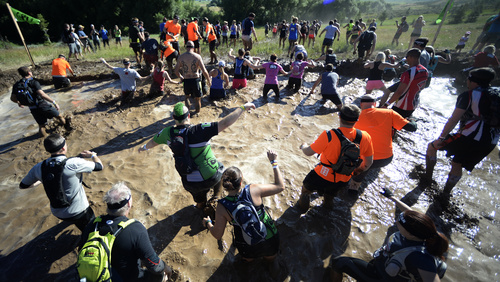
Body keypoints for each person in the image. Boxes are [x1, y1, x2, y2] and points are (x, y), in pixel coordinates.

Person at [138, 102, 257, 209]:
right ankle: (216, 197)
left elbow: (152, 142)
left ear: (173, 118)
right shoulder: (199, 130)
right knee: (220, 167)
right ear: (188, 116)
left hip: (189, 181)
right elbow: (225, 123)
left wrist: (143, 148)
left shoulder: (166, 133)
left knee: (198, 197)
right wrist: (243, 107)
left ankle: (200, 206)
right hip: (211, 176)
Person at [328, 187, 449, 282]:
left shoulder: (419, 257)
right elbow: (409, 212)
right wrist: (392, 198)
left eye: (400, 223)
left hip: (381, 277)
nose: (396, 221)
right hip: (381, 264)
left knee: (339, 263)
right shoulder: (424, 230)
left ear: (411, 233)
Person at [425, 68, 500, 199]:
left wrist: (442, 137)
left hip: (469, 136)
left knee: (432, 147)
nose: (466, 82)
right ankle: (445, 193)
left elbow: (454, 119)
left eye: (468, 79)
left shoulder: (469, 95)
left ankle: (427, 178)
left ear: (474, 82)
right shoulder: (497, 94)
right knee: (457, 163)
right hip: (490, 142)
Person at [202, 150, 284, 269]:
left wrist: (208, 223)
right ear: (241, 181)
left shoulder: (222, 206)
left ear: (224, 185)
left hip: (247, 244)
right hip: (269, 237)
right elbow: (280, 186)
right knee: (271, 260)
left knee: (248, 261)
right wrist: (273, 161)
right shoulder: (254, 189)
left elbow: (217, 234)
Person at [80, 182, 171, 282]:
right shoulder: (135, 229)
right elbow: (154, 265)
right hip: (126, 278)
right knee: (160, 275)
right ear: (129, 203)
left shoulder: (93, 224)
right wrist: (165, 268)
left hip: (96, 275)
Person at [297, 105, 374, 212]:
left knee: (306, 190)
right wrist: (355, 172)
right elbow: (368, 163)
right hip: (344, 178)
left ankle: (302, 209)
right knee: (330, 195)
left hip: (321, 175)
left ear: (339, 116)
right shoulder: (365, 137)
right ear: (357, 120)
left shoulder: (329, 135)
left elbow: (308, 152)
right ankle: (327, 206)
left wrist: (303, 146)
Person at [20, 133, 102, 231]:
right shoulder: (74, 163)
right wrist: (93, 155)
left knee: (72, 217)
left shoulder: (38, 167)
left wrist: (41, 180)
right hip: (79, 211)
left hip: (57, 213)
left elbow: (23, 185)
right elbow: (99, 166)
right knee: (91, 230)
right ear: (63, 148)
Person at [348, 95, 417, 192]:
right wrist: (413, 119)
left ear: (361, 105)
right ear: (375, 104)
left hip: (363, 160)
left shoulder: (354, 118)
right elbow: (412, 127)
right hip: (385, 159)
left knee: (361, 165)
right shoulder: (389, 113)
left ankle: (353, 188)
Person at [11, 67, 68, 137]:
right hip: (42, 105)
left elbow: (12, 98)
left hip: (32, 108)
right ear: (29, 73)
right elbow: (42, 94)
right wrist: (54, 102)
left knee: (41, 125)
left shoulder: (16, 85)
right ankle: (66, 128)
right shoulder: (33, 82)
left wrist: (19, 103)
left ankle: (43, 139)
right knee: (59, 116)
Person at [379, 48, 429, 118]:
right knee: (399, 125)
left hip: (401, 105)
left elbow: (399, 92)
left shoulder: (408, 73)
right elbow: (422, 87)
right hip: (413, 105)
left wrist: (386, 105)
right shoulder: (425, 70)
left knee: (388, 125)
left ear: (411, 57)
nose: (406, 60)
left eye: (407, 57)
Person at [175, 41, 211, 114]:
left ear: (186, 47)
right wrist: (209, 80)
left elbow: (176, 71)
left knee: (187, 97)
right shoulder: (197, 56)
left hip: (186, 79)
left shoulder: (181, 57)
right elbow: (204, 71)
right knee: (197, 99)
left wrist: (181, 77)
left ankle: (187, 113)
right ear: (193, 48)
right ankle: (197, 113)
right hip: (195, 79)